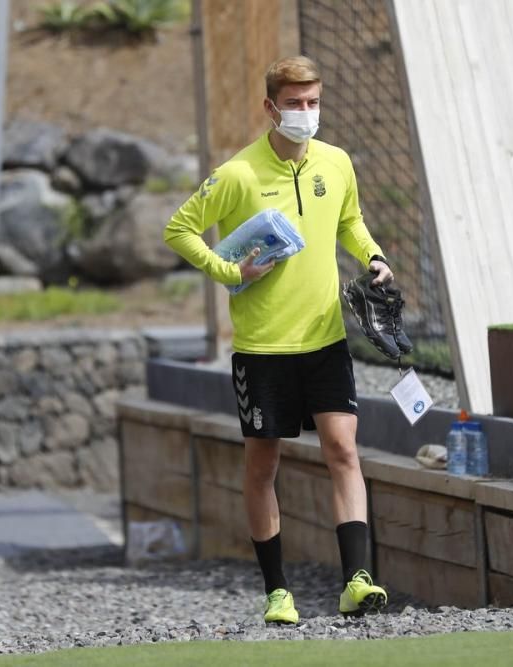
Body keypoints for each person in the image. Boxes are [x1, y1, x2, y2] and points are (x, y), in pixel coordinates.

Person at [163, 56, 393, 624]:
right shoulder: (238, 173)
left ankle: (357, 581)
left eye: (313, 102)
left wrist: (375, 257)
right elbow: (179, 228)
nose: (306, 113)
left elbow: (350, 221)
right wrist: (228, 272)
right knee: (263, 467)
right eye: (295, 104)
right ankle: (277, 592)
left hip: (325, 339)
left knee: (343, 449)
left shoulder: (337, 163)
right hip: (263, 349)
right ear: (271, 107)